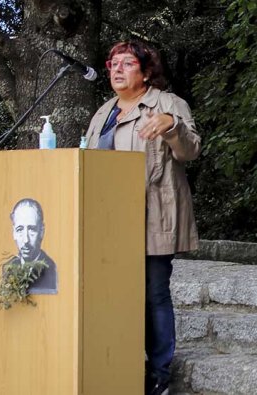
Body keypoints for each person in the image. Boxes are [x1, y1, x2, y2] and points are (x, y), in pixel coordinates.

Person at [85, 40, 202, 395]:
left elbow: (191, 150)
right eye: (112, 64)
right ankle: (117, 363)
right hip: (108, 221)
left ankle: (159, 374)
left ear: (146, 70)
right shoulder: (103, 112)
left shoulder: (166, 103)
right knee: (113, 294)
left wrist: (171, 126)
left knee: (153, 292)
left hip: (153, 215)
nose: (117, 69)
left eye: (126, 63)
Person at [6, 198, 57, 294]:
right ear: (14, 232)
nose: (26, 240)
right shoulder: (7, 268)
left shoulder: (51, 270)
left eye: (32, 229)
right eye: (20, 229)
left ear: (42, 231)